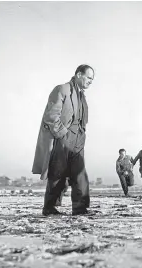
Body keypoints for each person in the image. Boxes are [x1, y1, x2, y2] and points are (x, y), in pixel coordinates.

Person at [32, 64, 95, 216]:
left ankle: (80, 209)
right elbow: (51, 116)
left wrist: (81, 136)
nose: (91, 82)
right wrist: (63, 134)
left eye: (92, 79)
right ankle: (49, 208)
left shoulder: (81, 95)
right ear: (79, 74)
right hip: (63, 139)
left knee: (80, 175)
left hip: (78, 140)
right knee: (57, 174)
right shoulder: (62, 89)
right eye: (89, 77)